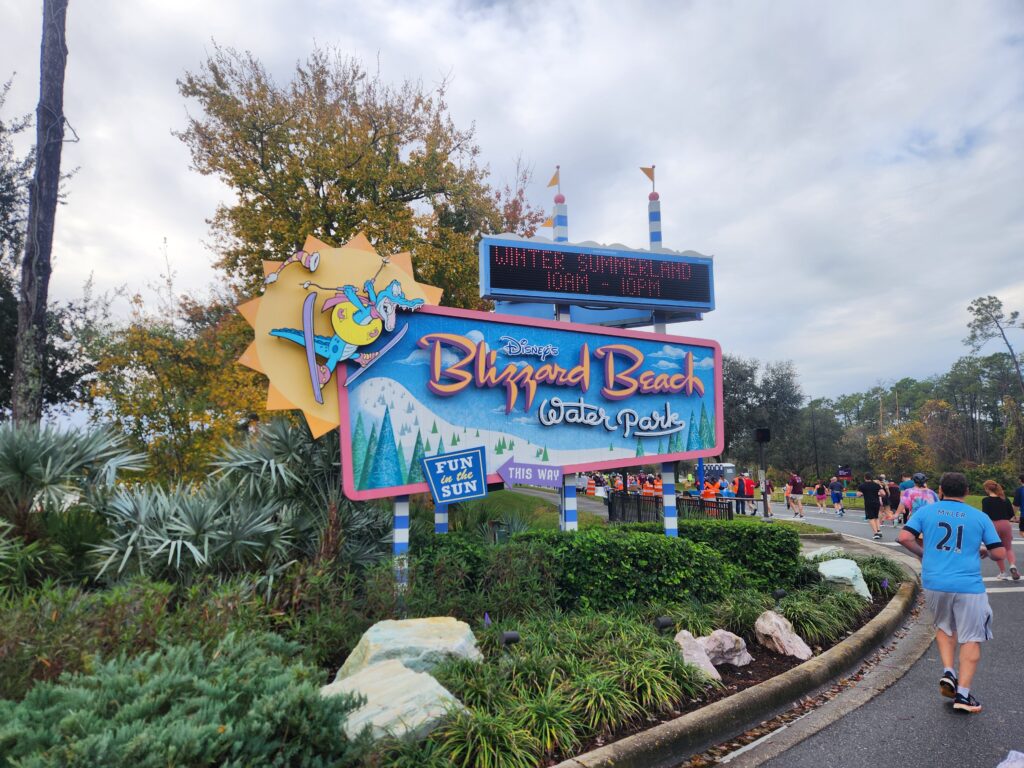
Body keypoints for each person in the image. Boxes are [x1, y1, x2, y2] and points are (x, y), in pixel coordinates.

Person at [898, 472, 1006, 714]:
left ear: (941, 489)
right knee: (971, 636)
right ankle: (964, 696)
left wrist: (924, 554)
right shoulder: (979, 517)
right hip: (968, 586)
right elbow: (999, 553)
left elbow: (904, 537)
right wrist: (984, 551)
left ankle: (949, 671)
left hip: (935, 582)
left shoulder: (926, 512)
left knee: (945, 627)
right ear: (967, 491)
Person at [981, 480, 1019, 580]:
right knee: (1008, 548)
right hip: (1005, 524)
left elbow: (985, 515)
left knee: (997, 549)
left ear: (987, 489)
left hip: (993, 525)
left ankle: (1003, 572)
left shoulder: (985, 500)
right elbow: (1011, 514)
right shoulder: (1005, 499)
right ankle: (1012, 565)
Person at [857, 473, 885, 539]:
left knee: (871, 518)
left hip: (868, 503)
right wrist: (878, 495)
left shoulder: (862, 486)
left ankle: (876, 533)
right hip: (876, 502)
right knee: (876, 517)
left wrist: (863, 494)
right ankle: (879, 530)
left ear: (865, 478)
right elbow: (883, 493)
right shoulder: (876, 485)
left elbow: (858, 494)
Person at [1014, 473, 1024, 539]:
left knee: (1022, 532)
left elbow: (1016, 505)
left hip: (1023, 515)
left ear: (1020, 480)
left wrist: (1013, 515)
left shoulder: (1019, 490)